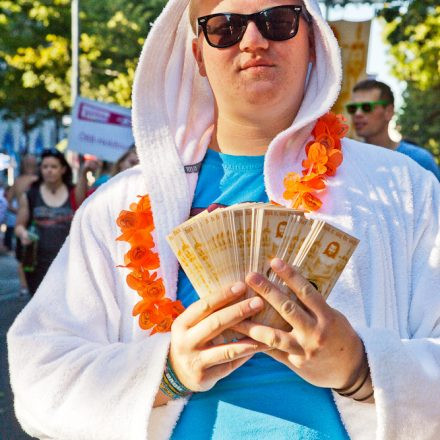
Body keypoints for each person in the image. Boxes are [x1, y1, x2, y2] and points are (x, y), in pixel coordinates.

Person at [7, 1, 440, 439]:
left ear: (313, 40)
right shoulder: (118, 208)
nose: (254, 41)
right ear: (198, 53)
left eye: (279, 21)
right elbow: (39, 376)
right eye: (225, 28)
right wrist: (167, 372)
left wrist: (360, 368)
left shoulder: (403, 190)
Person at [14, 149, 90, 295]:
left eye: (54, 167)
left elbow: (82, 205)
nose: (49, 171)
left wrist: (84, 171)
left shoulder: (73, 192)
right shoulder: (31, 195)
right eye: (45, 167)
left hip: (69, 262)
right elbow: (19, 225)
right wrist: (23, 234)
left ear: (63, 169)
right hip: (38, 263)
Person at [347, 79, 440, 180]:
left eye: (366, 107)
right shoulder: (347, 160)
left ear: (389, 112)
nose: (357, 114)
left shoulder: (419, 160)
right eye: (352, 108)